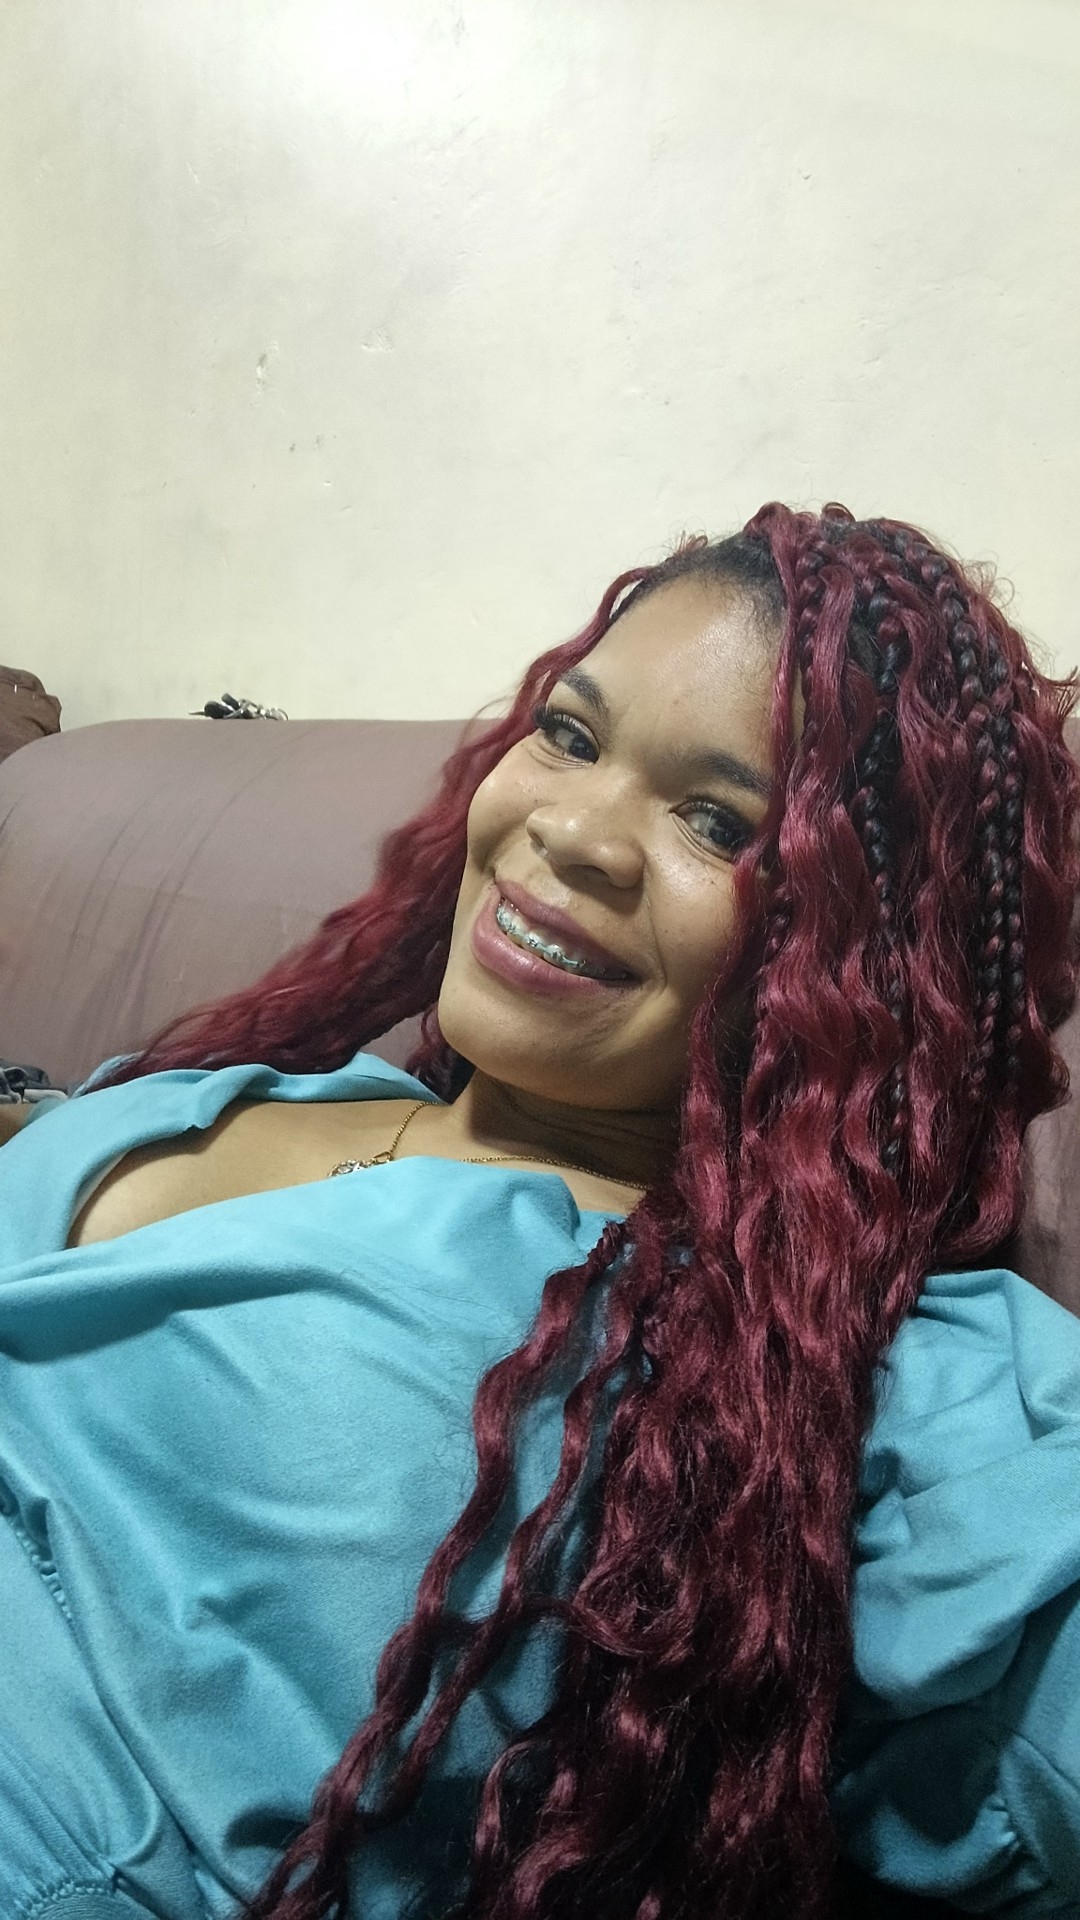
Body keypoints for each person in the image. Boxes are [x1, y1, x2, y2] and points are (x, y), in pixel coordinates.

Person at [1, 502, 1078, 1920]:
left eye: (717, 821)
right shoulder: (251, 1087)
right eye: (570, 735)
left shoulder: (775, 1381)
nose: (571, 833)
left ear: (864, 963)